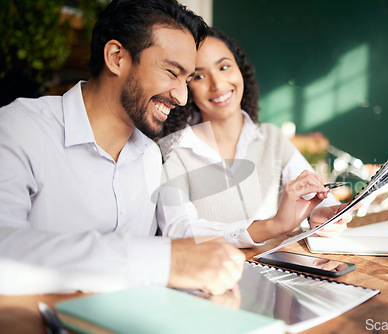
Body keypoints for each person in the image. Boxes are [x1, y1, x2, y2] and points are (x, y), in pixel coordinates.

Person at [0, 0, 245, 296]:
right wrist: (164, 260)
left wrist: (265, 229)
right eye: (171, 72)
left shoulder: (151, 156)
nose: (182, 97)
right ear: (116, 57)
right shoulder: (21, 128)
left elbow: (182, 226)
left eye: (187, 79)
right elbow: (4, 247)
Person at [158, 27, 350, 248]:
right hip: (209, 281)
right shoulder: (173, 150)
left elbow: (315, 193)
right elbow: (178, 229)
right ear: (187, 86)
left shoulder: (272, 138)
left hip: (274, 279)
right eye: (199, 76)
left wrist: (322, 213)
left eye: (224, 67)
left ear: (240, 70)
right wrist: (272, 226)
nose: (217, 84)